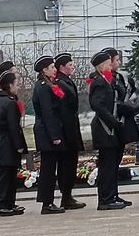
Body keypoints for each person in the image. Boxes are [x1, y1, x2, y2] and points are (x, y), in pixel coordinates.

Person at [88, 49, 126, 210]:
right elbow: (97, 105)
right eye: (108, 64)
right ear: (101, 66)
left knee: (111, 164)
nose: (111, 67)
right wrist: (112, 121)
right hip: (104, 129)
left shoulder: (104, 80)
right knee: (107, 165)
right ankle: (106, 199)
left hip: (109, 127)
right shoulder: (98, 82)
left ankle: (111, 196)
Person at [0, 70, 27, 217]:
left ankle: (8, 203)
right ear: (9, 85)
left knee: (10, 174)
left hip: (3, 141)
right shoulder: (9, 102)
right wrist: (19, 145)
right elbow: (13, 126)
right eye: (16, 84)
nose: (18, 87)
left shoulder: (1, 100)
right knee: (5, 175)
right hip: (7, 143)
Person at [32, 55, 66, 214]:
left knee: (50, 167)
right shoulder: (43, 87)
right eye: (52, 67)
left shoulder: (46, 84)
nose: (54, 70)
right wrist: (55, 136)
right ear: (44, 70)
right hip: (46, 131)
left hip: (47, 130)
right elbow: (48, 112)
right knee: (48, 169)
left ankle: (48, 201)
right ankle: (47, 202)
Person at [54, 53, 86, 210]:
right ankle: (66, 196)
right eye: (70, 65)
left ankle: (68, 196)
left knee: (71, 163)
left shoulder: (66, 81)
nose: (73, 67)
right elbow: (62, 109)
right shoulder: (59, 82)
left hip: (71, 127)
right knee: (66, 164)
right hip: (66, 130)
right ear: (61, 67)